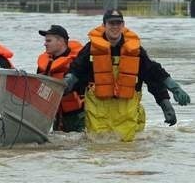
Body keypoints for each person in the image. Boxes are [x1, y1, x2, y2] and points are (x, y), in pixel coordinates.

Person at [64, 10, 191, 141]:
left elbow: (153, 74)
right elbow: (76, 71)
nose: (115, 27)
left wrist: (167, 99)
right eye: (111, 23)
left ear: (123, 25)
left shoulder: (135, 51)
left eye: (118, 23)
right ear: (104, 25)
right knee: (98, 147)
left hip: (127, 113)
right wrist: (66, 83)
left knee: (127, 150)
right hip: (98, 112)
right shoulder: (90, 49)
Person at [36, 25, 84, 132]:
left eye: (49, 41)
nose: (45, 44)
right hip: (55, 116)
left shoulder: (78, 62)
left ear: (61, 41)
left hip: (78, 116)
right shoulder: (44, 64)